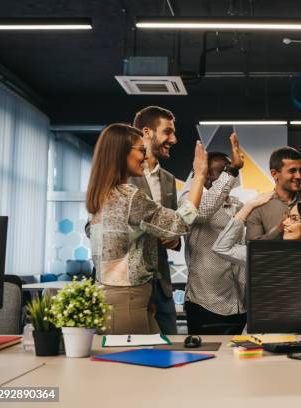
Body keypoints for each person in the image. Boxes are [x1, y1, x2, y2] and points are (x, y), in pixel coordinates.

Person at [86, 123, 207, 334]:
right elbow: (179, 222)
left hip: (123, 295)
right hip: (127, 299)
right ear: (121, 153)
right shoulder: (129, 196)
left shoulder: (103, 194)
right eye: (141, 151)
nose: (144, 157)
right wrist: (199, 176)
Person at [179, 133, 248, 335]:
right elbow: (201, 212)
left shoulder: (237, 205)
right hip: (205, 303)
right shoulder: (189, 200)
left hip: (238, 303)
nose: (230, 180)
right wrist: (233, 169)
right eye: (223, 172)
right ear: (206, 177)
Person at [129, 105, 181, 335]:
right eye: (168, 132)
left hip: (161, 286)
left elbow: (175, 224)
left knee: (172, 349)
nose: (174, 139)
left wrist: (175, 240)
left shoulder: (169, 180)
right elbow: (93, 229)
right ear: (147, 132)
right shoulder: (119, 175)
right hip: (129, 285)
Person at [213, 196, 301, 266]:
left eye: (294, 219)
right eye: (288, 217)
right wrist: (249, 206)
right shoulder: (270, 255)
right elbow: (221, 248)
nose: (284, 222)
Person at [246, 146, 301, 240]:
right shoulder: (257, 207)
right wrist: (279, 229)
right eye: (292, 171)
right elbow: (252, 248)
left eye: (300, 170)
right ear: (274, 174)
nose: (299, 176)